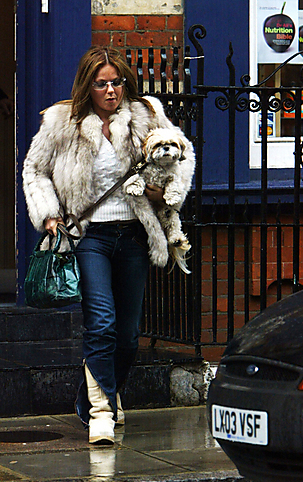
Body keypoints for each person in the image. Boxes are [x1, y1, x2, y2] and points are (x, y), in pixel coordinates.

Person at [22, 46, 193, 445]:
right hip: (89, 237)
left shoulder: (146, 114)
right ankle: (101, 414)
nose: (111, 91)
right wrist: (49, 214)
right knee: (101, 323)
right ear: (88, 85)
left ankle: (103, 392)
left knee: (129, 335)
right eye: (101, 84)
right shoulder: (61, 121)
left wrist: (165, 193)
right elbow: (34, 169)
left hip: (134, 234)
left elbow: (182, 156)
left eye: (116, 82)